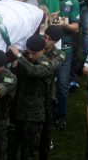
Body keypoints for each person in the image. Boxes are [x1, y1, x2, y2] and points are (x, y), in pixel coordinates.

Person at [40, 0, 80, 129]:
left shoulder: (74, 2)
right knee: (44, 82)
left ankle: (61, 115)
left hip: (65, 49)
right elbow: (40, 19)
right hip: (46, 47)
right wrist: (50, 19)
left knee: (63, 84)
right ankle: (43, 113)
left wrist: (63, 24)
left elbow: (76, 27)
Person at [8, 35, 53, 160]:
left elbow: (34, 72)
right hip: (16, 112)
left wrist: (19, 56)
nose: (31, 56)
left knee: (28, 154)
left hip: (33, 117)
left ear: (43, 50)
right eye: (29, 52)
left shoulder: (47, 64)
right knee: (10, 152)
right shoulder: (25, 59)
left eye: (34, 53)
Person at [39, 25, 65, 160]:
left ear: (55, 41)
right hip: (34, 94)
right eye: (44, 37)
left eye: (49, 39)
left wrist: (37, 56)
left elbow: (50, 67)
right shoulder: (37, 48)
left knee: (47, 126)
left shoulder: (59, 54)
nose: (45, 41)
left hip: (49, 95)